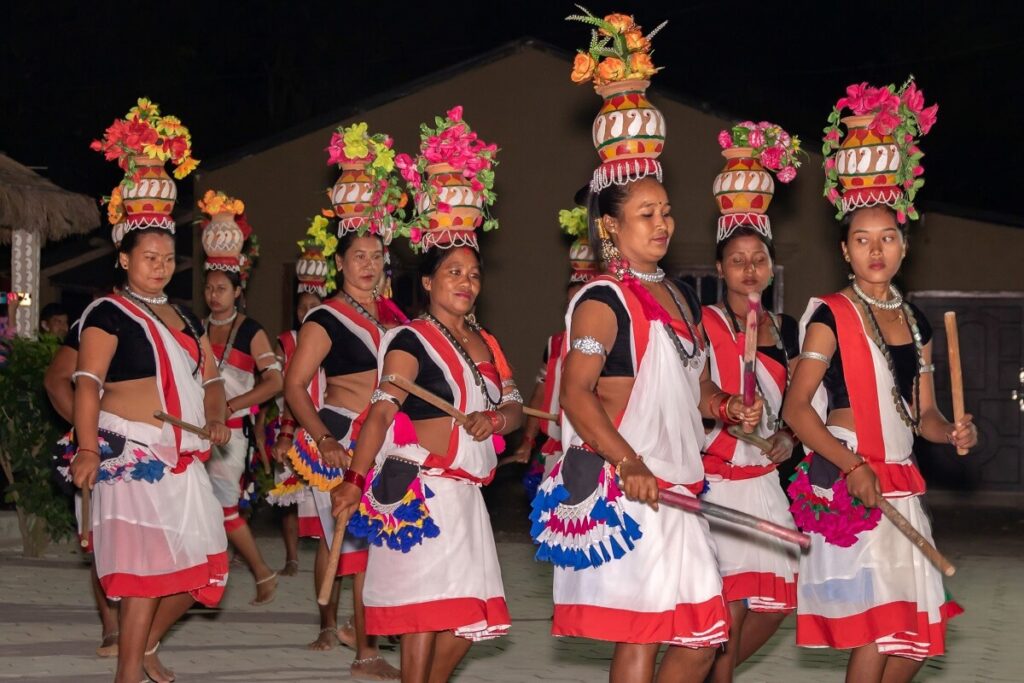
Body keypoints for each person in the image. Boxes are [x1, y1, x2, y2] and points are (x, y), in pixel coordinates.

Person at [531, 22, 761, 679]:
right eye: (647, 214)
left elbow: (688, 388)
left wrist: (725, 406)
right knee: (644, 636)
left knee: (701, 632)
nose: (663, 224)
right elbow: (576, 392)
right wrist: (629, 460)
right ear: (611, 225)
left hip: (680, 484)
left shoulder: (677, 297)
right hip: (632, 486)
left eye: (666, 212)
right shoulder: (603, 301)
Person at [782, 79, 971, 682]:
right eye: (862, 240)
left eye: (887, 238)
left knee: (912, 645)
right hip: (853, 479)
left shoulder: (916, 321)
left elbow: (926, 414)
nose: (876, 250)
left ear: (904, 245)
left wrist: (952, 432)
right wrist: (850, 463)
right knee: (881, 630)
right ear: (845, 250)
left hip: (902, 484)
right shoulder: (829, 315)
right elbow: (795, 410)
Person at [331, 107, 517, 683]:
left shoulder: (487, 342)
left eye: (473, 273)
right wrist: (354, 480)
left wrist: (497, 420)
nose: (465, 282)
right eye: (453, 272)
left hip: (467, 501)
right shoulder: (410, 339)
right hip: (423, 494)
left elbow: (512, 407)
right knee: (424, 621)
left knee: (468, 620)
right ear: (430, 282)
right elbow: (383, 411)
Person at [284, 122, 405, 678]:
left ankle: (373, 633)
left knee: (385, 547)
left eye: (376, 254)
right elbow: (293, 386)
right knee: (358, 553)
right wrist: (326, 439)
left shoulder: (395, 317)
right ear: (340, 263)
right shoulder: (325, 317)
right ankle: (363, 651)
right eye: (358, 255)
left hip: (388, 439)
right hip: (342, 437)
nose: (369, 264)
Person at [702, 121, 803, 682]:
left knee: (778, 598)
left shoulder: (785, 330)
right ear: (720, 268)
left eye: (757, 259)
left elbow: (790, 410)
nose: (748, 269)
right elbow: (691, 388)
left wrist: (785, 438)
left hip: (764, 479)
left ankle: (707, 674)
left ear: (770, 267)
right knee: (733, 598)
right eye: (736, 260)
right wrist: (721, 403)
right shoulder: (704, 323)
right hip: (718, 475)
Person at [199, 191, 283, 606]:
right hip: (199, 433)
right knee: (204, 509)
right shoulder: (195, 329)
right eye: (210, 288)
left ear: (237, 291)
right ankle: (208, 578)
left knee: (226, 510)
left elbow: (276, 382)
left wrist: (232, 405)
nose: (215, 295)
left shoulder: (251, 331)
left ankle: (263, 573)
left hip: (232, 436)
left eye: (222, 288)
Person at [506, 194, 597, 491]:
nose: (576, 312)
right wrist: (528, 442)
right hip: (556, 449)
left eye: (582, 304)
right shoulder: (554, 344)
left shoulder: (608, 341)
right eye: (571, 305)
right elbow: (541, 393)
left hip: (596, 449)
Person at [44, 308, 120, 658]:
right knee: (102, 539)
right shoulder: (94, 319)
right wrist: (89, 431)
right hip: (101, 444)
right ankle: (112, 627)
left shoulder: (172, 318)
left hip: (155, 445)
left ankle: (142, 627)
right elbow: (57, 378)